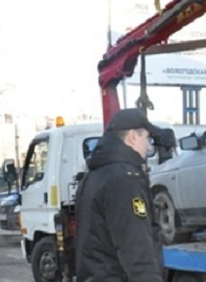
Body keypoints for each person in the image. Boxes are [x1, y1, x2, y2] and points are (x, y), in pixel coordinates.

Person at [75, 108, 165, 282]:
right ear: (132, 136)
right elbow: (136, 248)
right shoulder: (125, 181)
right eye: (146, 138)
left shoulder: (93, 176)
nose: (148, 147)